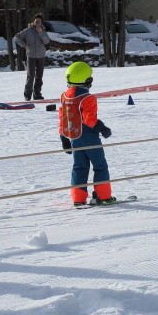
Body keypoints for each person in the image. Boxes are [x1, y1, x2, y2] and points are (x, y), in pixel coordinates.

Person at [59, 61, 117, 206]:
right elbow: (89, 119)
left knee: (79, 167)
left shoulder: (65, 97)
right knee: (100, 165)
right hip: (89, 137)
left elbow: (63, 117)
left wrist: (63, 137)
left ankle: (78, 198)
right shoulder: (87, 98)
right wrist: (103, 128)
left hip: (74, 137)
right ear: (87, 80)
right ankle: (104, 196)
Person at [15, 13, 51, 101]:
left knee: (39, 76)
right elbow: (17, 37)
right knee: (30, 76)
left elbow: (47, 42)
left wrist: (41, 32)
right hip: (31, 56)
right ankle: (27, 95)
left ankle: (37, 94)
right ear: (33, 21)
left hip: (41, 56)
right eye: (36, 21)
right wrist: (25, 45)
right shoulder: (27, 31)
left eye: (39, 21)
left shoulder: (43, 31)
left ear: (41, 22)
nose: (38, 22)